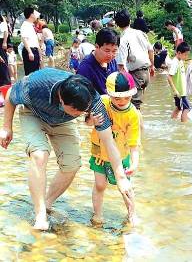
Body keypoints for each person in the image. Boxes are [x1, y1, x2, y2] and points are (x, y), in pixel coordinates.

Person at [0, 69, 133, 230]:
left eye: (83, 111)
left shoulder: (94, 102)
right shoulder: (36, 85)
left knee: (72, 165)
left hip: (63, 122)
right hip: (33, 114)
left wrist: (120, 178)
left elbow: (108, 141)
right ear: (61, 99)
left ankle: (46, 203)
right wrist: (7, 127)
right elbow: (10, 95)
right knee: (39, 154)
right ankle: (40, 215)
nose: (81, 114)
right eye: (76, 111)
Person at [89, 71, 140, 225]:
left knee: (124, 187)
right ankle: (97, 215)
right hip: (99, 153)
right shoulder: (102, 102)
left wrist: (134, 162)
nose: (122, 101)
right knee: (99, 185)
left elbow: (134, 142)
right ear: (109, 94)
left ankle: (132, 214)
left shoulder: (133, 114)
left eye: (127, 97)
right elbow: (87, 122)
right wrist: (91, 120)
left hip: (121, 155)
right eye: (117, 98)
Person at [115, 9, 155, 110]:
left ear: (117, 24)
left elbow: (121, 66)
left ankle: (137, 125)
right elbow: (151, 50)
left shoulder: (122, 39)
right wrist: (152, 66)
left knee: (133, 106)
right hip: (146, 73)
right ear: (130, 21)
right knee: (137, 104)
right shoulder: (140, 33)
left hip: (136, 74)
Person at [77, 28, 119, 95]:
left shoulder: (112, 61)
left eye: (114, 51)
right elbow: (82, 96)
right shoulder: (85, 68)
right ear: (97, 46)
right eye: (107, 51)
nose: (110, 55)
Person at [167, 42, 191, 122]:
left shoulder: (180, 61)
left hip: (181, 91)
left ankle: (172, 122)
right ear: (179, 53)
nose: (187, 56)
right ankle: (184, 126)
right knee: (186, 108)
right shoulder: (175, 62)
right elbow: (169, 77)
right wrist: (175, 90)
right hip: (179, 92)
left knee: (179, 107)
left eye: (188, 55)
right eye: (185, 55)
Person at [20, 7, 41, 76]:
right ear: (31, 15)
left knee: (36, 73)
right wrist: (30, 52)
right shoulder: (25, 25)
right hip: (30, 51)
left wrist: (39, 53)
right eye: (34, 14)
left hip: (34, 50)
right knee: (30, 74)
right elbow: (24, 39)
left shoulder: (31, 25)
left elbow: (35, 41)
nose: (36, 16)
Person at [0, 16, 10, 86]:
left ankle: (5, 82)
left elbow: (6, 32)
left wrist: (4, 42)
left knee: (2, 63)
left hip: (1, 42)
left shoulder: (2, 24)